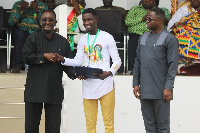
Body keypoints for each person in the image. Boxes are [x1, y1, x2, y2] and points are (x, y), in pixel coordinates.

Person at [56, 8, 121, 133]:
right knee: (90, 123)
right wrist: (63, 59)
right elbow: (77, 61)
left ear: (96, 19)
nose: (86, 22)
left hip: (105, 85)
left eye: (89, 19)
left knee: (108, 123)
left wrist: (109, 73)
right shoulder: (82, 39)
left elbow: (117, 61)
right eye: (84, 20)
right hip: (88, 84)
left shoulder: (107, 37)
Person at [22, 10, 75, 133]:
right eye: (44, 19)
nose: (47, 22)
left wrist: (77, 74)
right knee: (31, 128)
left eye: (50, 19)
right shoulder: (32, 38)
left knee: (53, 129)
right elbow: (26, 57)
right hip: (34, 91)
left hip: (53, 91)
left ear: (55, 22)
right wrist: (44, 56)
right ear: (40, 22)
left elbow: (68, 64)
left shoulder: (63, 41)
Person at [133, 7, 179, 133]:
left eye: (150, 19)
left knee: (163, 128)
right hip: (145, 91)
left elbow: (173, 65)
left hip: (161, 91)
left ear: (160, 20)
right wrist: (136, 83)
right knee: (149, 127)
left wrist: (168, 88)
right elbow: (138, 61)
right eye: (146, 18)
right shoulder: (142, 38)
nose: (146, 21)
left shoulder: (170, 39)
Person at [125, 0, 170, 74]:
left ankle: (158, 68)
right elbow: (127, 22)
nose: (147, 1)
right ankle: (133, 68)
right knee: (133, 41)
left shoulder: (159, 11)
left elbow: (165, 22)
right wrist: (142, 18)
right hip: (137, 34)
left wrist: (154, 18)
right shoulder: (134, 9)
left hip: (154, 33)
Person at [8, 0, 48, 73]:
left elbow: (45, 24)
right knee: (20, 35)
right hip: (21, 30)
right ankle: (17, 66)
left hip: (37, 31)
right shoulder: (18, 5)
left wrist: (37, 11)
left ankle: (38, 66)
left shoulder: (43, 6)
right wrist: (21, 10)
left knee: (38, 36)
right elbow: (11, 22)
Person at [167, 0, 200, 75]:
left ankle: (195, 60)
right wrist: (181, 23)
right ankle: (188, 60)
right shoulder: (184, 9)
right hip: (186, 31)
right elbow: (172, 24)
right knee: (182, 33)